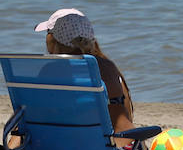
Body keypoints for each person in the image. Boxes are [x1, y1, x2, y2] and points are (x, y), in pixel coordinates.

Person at [37, 9, 135, 140]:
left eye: (48, 32)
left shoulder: (49, 72)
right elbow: (126, 116)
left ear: (54, 39)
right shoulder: (108, 69)